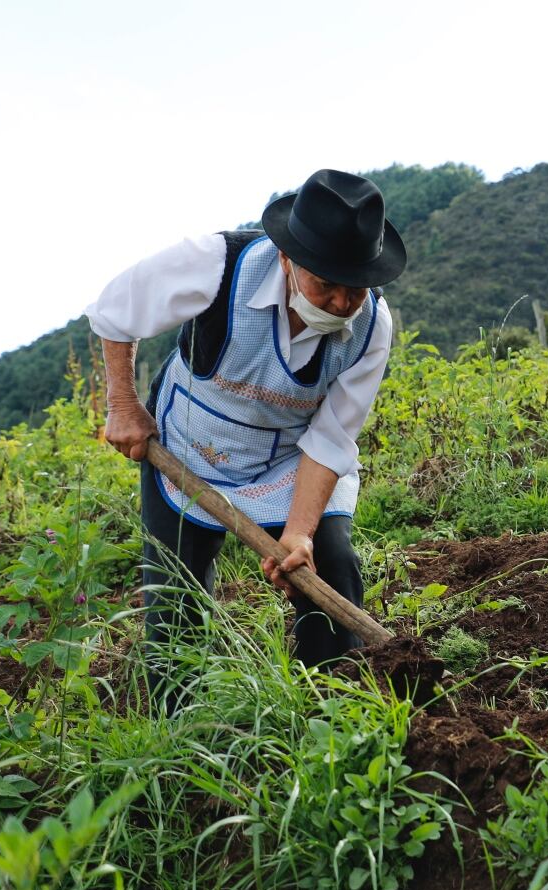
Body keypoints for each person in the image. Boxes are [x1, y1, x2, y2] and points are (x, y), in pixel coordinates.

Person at [85, 169, 404, 712]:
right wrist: (123, 405)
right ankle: (177, 734)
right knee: (175, 600)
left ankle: (332, 709)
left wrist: (299, 534)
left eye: (354, 287)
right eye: (325, 284)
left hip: (288, 461)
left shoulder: (372, 328)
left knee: (330, 561)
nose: (341, 302)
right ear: (287, 259)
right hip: (190, 448)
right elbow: (116, 310)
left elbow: (330, 440)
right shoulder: (215, 265)